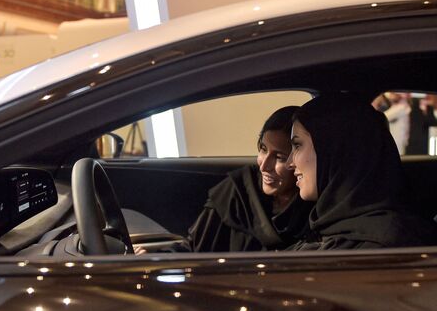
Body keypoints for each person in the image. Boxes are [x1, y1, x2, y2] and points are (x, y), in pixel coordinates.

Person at [286, 94, 437, 251]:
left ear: (336, 151)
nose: (289, 162)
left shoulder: (385, 246)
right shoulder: (327, 231)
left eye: (297, 145)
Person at [185, 106, 313, 252]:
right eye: (263, 149)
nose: (264, 166)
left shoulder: (314, 210)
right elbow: (192, 249)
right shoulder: (238, 191)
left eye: (279, 157)